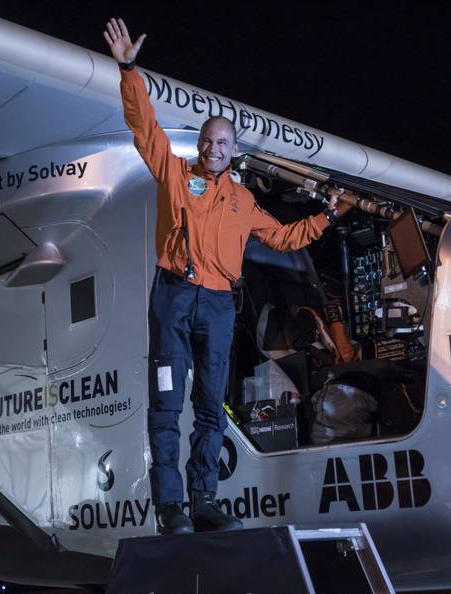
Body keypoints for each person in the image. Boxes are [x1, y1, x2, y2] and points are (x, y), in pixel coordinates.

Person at [104, 18, 352, 535]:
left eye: (223, 143)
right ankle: (171, 508)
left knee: (212, 408)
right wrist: (129, 69)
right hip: (173, 299)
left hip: (218, 306)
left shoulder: (244, 202)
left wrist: (326, 217)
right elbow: (144, 127)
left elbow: (284, 238)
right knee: (167, 406)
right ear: (199, 145)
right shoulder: (174, 174)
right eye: (208, 140)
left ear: (233, 151)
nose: (215, 148)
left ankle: (204, 501)